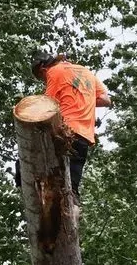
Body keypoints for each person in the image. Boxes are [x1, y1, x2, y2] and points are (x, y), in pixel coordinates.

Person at [31, 49, 111, 193]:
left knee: (42, 172)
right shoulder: (85, 71)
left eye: (42, 78)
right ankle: (72, 208)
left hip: (64, 133)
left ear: (43, 68)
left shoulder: (53, 72)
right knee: (71, 188)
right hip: (84, 136)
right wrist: (82, 97)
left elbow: (47, 107)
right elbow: (106, 100)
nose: (45, 81)